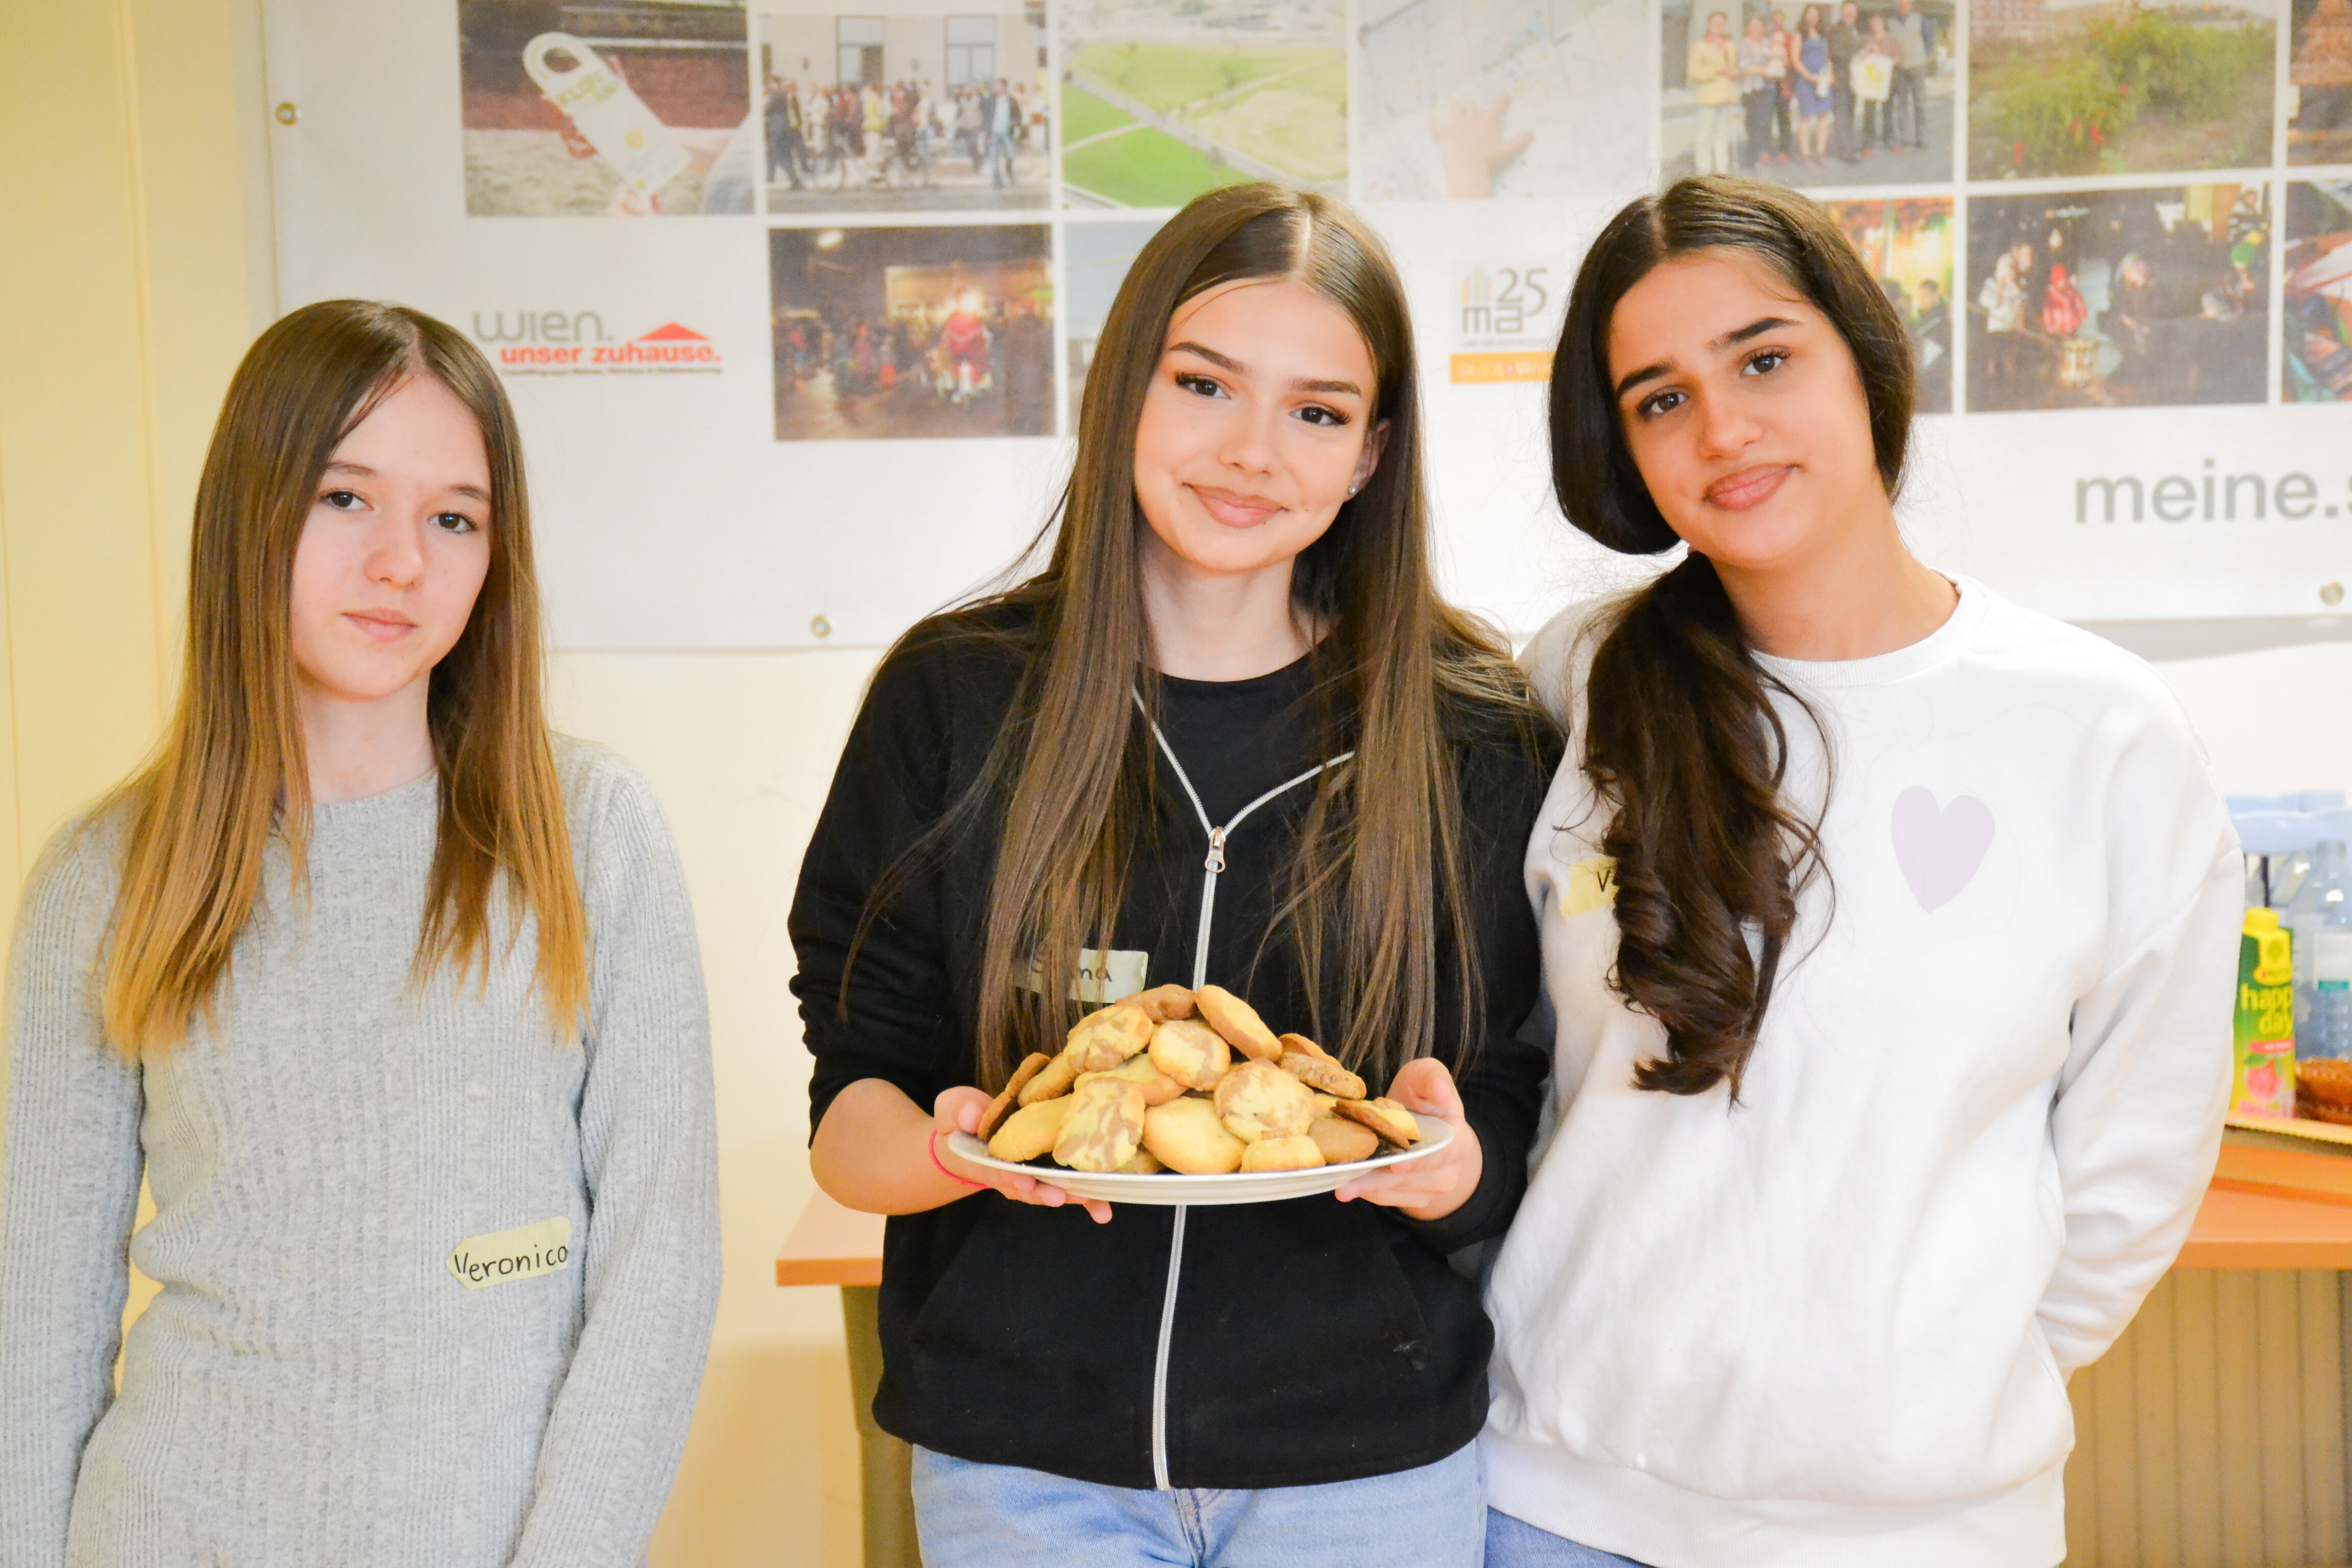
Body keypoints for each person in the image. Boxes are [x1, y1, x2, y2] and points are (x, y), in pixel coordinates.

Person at [792, 182, 1553, 1568]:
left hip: (1365, 1462)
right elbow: (852, 1101)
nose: (1253, 451)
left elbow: (1511, 1098)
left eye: (1318, 411)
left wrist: (1452, 1162)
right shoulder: (954, 698)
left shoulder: (1474, 730)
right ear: (1123, 386)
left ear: (1374, 452)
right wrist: (956, 1149)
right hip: (1021, 1466)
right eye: (1205, 384)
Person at [1482, 175, 2237, 1567]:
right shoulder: (1572, 684)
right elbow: (1510, 1060)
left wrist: (1928, 1418)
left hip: (1931, 1533)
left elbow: (2137, 1161)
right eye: (1659, 398)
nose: (1723, 429)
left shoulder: (2102, 730)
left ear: (1866, 360)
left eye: (1765, 359)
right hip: (1557, 1506)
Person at [0, 300, 721, 1564]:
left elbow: (659, 1272)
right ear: (251, 513)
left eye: (455, 517)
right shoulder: (108, 872)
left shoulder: (590, 833)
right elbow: (36, 1319)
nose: (404, 561)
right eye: (345, 498)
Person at [1686, 13, 1741, 176]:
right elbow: (1693, 72)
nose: (1718, 26)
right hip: (1708, 98)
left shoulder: (1730, 45)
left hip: (1726, 97)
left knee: (1723, 135)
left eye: (1722, 23)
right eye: (1715, 23)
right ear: (1709, 26)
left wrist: (1734, 73)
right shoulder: (1700, 47)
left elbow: (1736, 67)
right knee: (1704, 135)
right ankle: (1704, 170)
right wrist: (1717, 71)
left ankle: (1721, 170)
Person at [1736, 15, 1781, 170]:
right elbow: (1746, 69)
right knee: (1753, 126)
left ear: (1763, 28)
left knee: (1766, 124)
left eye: (1758, 26)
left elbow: (1779, 60)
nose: (1755, 29)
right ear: (1748, 28)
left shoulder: (1769, 43)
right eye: (1752, 26)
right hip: (1751, 91)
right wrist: (1766, 69)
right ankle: (1751, 160)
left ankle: (1764, 155)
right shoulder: (1744, 45)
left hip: (1768, 90)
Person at [1792, 6, 1833, 163]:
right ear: (1805, 16)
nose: (1813, 17)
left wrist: (1830, 74)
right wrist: (1808, 76)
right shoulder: (1800, 35)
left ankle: (1820, 153)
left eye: (1816, 15)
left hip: (1822, 81)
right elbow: (1795, 59)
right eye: (1810, 14)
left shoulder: (1823, 34)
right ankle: (1805, 154)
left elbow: (1827, 58)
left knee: (1823, 116)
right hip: (1806, 81)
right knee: (1805, 117)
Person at [1888, 0, 1929, 148]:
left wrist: (1924, 57)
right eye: (1900, 4)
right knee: (1902, 104)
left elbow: (1928, 39)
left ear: (1910, 5)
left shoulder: (1920, 20)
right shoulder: (1891, 23)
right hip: (1900, 68)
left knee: (1920, 103)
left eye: (1906, 3)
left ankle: (1921, 137)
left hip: (1917, 66)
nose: (1903, 6)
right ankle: (1905, 136)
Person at [1855, 13, 1898, 150]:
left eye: (1878, 24)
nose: (1875, 26)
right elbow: (1860, 55)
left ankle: (1889, 138)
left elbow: (1898, 57)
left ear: (1883, 24)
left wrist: (1890, 61)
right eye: (1873, 24)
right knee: (1870, 111)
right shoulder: (1867, 39)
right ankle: (1868, 140)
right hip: (1871, 80)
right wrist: (1866, 53)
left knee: (1888, 110)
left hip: (1886, 81)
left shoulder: (1891, 39)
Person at [1825, 1, 1862, 159]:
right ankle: (1845, 151)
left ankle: (1848, 146)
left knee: (1850, 115)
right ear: (1841, 12)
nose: (1851, 15)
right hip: (1841, 78)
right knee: (1841, 115)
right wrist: (1858, 55)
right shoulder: (1836, 30)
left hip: (1853, 79)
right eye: (1848, 12)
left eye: (1853, 12)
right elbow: (1836, 52)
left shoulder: (1853, 29)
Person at [1910, 275, 1951, 411]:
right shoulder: (1920, 319)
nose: (1921, 299)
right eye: (1920, 295)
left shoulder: (1942, 317)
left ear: (1935, 295)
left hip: (1939, 370)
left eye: (1926, 295)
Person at [988, 77, 1018, 187]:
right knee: (994, 157)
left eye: (999, 86)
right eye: (996, 86)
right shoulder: (992, 100)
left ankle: (1009, 172)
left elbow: (1018, 117)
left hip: (1007, 133)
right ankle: (997, 181)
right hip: (994, 132)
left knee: (1010, 154)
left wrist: (1013, 123)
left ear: (1005, 87)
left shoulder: (1012, 101)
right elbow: (987, 115)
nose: (997, 88)